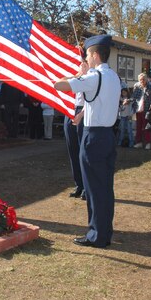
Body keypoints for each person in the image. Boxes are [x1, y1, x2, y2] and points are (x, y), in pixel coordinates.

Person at [54, 34, 120, 248]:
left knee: (94, 188)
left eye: (88, 54)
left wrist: (78, 74)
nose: (86, 58)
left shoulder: (94, 77)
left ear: (95, 54)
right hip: (108, 134)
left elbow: (59, 86)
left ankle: (97, 235)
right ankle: (104, 231)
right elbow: (97, 102)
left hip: (94, 137)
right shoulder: (113, 77)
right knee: (105, 187)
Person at [63, 60, 86, 200]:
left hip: (84, 111)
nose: (82, 65)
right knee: (73, 149)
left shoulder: (93, 77)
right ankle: (79, 184)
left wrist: (81, 114)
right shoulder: (77, 76)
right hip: (72, 109)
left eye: (84, 63)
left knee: (83, 151)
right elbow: (61, 83)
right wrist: (77, 75)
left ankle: (87, 186)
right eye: (80, 63)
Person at [131, 73, 151, 149]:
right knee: (138, 127)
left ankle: (148, 143)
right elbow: (133, 97)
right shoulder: (136, 86)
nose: (142, 81)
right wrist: (128, 100)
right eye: (140, 79)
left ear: (146, 79)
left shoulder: (150, 87)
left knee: (146, 127)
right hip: (138, 110)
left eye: (143, 79)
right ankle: (139, 143)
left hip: (146, 110)